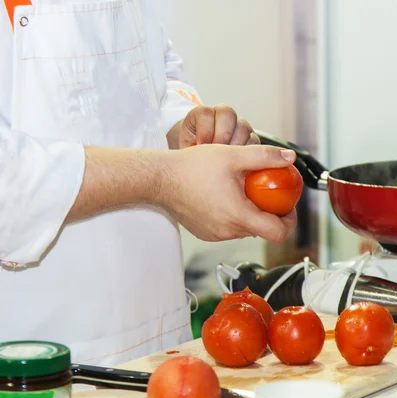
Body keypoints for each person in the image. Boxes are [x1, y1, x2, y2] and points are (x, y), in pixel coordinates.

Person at [0, 0, 297, 366]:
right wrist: (166, 178)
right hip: (33, 362)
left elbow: (152, 63)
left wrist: (181, 127)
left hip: (160, 349)